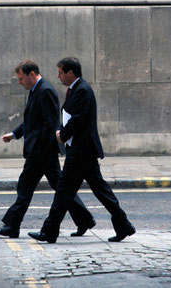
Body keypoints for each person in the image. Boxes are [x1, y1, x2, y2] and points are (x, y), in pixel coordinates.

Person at [29, 56, 136, 244]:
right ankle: (123, 225)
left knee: (63, 191)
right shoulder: (75, 90)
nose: (58, 76)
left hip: (81, 151)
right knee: (98, 190)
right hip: (80, 150)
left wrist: (62, 134)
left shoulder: (82, 90)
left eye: (61, 72)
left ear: (71, 72)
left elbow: (78, 119)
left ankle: (49, 231)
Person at [0, 59, 95, 238]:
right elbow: (32, 121)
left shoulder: (45, 91)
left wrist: (38, 148)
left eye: (21, 78)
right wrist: (15, 134)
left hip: (41, 151)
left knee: (25, 186)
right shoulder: (35, 90)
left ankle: (12, 226)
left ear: (32, 74)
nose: (19, 82)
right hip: (43, 151)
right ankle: (84, 219)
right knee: (62, 188)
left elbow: (50, 123)